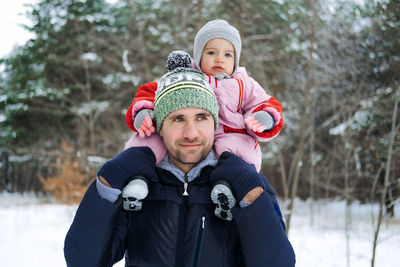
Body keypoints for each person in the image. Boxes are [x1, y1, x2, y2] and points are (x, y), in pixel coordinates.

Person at [64, 67, 295, 267]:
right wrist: (108, 181)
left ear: (215, 124)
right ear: (160, 127)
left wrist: (250, 193)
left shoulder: (242, 186)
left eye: (202, 117)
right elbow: (83, 261)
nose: (191, 133)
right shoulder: (136, 187)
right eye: (178, 119)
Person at [124, 19, 283, 219]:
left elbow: (266, 103)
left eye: (227, 54)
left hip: (231, 135)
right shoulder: (188, 76)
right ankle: (136, 177)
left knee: (230, 153)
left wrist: (263, 117)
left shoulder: (245, 84)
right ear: (198, 56)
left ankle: (227, 189)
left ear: (236, 59)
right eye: (211, 52)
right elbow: (152, 91)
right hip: (191, 137)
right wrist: (144, 112)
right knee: (150, 138)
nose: (219, 59)